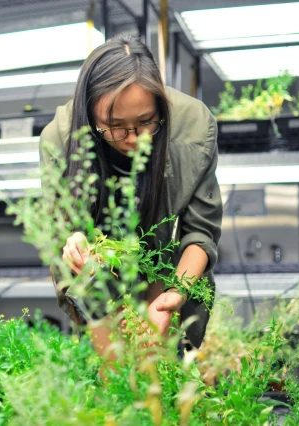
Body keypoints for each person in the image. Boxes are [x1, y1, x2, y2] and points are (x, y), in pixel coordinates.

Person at [39, 35, 222, 361]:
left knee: (159, 371)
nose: (132, 139)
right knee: (110, 370)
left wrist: (174, 295)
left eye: (145, 123)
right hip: (97, 275)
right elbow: (59, 229)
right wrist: (71, 240)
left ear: (160, 108)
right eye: (114, 126)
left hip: (164, 271)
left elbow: (201, 233)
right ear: (90, 117)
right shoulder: (61, 137)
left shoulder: (191, 129)